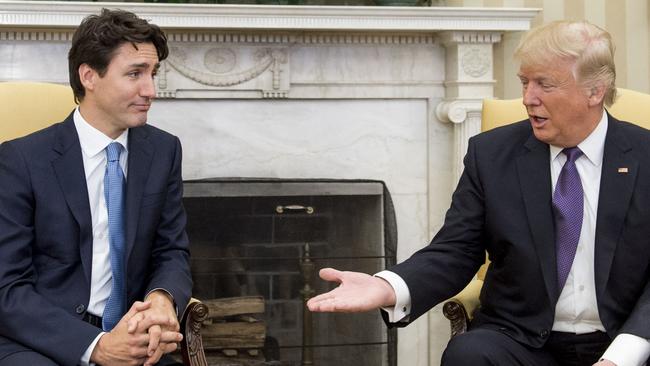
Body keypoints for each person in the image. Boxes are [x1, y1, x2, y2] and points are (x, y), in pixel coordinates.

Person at [308, 20, 650, 366]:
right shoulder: (492, 154)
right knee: (468, 354)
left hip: (626, 339)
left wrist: (623, 356)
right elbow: (456, 250)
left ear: (594, 91)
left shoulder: (646, 157)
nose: (528, 99)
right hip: (522, 341)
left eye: (544, 84)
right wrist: (388, 286)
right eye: (524, 82)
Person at [0, 9, 192, 366]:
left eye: (153, 74)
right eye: (135, 73)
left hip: (135, 337)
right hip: (42, 343)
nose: (150, 90)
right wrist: (97, 346)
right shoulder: (20, 161)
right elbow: (6, 288)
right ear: (89, 75)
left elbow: (171, 251)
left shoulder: (164, 151)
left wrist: (162, 299)